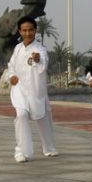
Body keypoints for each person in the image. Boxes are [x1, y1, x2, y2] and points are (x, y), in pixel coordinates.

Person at [6, 16, 57, 163]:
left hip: (36, 91)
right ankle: (22, 151)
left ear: (35, 31)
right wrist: (12, 76)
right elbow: (11, 66)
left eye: (30, 30)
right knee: (21, 115)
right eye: (24, 30)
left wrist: (37, 59)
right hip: (20, 90)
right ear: (19, 31)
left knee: (42, 118)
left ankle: (49, 148)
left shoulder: (40, 49)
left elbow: (43, 63)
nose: (28, 33)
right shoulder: (18, 48)